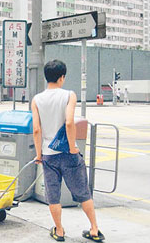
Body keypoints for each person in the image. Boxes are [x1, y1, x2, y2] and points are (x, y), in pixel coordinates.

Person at [31, 60, 104, 242]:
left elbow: (36, 129)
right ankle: (94, 229)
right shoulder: (69, 95)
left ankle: (60, 230)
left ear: (46, 77)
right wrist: (72, 147)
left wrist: (39, 154)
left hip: (48, 154)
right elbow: (70, 122)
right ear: (62, 77)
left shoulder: (37, 100)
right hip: (69, 154)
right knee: (82, 192)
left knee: (53, 194)